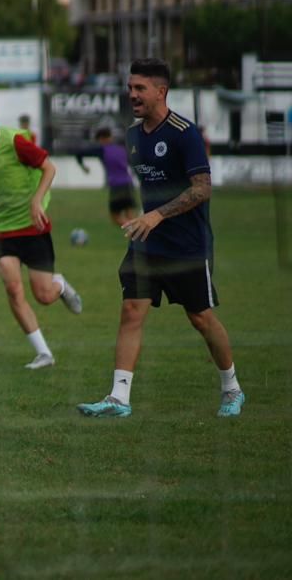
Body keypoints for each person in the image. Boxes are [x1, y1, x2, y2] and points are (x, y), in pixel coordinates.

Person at [79, 59, 244, 419]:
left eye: (140, 88)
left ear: (161, 91)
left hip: (186, 245)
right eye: (129, 88)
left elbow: (202, 189)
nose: (132, 94)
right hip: (146, 243)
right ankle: (118, 399)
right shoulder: (134, 135)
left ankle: (232, 389)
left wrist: (158, 215)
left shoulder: (184, 133)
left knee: (200, 318)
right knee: (131, 310)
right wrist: (147, 219)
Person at [0, 83, 82, 370]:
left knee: (44, 295)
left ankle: (59, 285)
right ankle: (44, 353)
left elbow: (49, 167)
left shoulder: (14, 142)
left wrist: (37, 201)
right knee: (13, 288)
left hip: (31, 226)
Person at [78, 127, 138, 229]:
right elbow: (133, 163)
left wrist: (83, 166)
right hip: (128, 184)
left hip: (116, 186)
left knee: (115, 217)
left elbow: (79, 153)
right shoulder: (122, 149)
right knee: (130, 215)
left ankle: (134, 232)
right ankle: (137, 235)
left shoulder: (102, 150)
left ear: (101, 139)